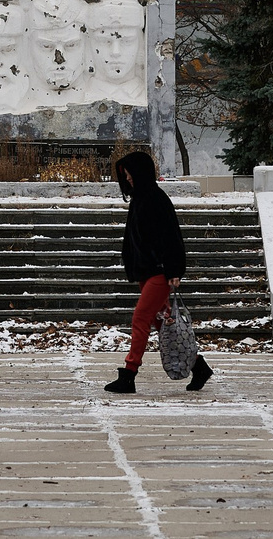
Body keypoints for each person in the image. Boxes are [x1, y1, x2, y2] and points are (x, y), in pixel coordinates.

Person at [103, 150, 213, 393]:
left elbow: (171, 236)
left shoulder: (154, 198)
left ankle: (129, 374)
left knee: (140, 319)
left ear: (140, 173)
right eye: (125, 175)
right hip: (147, 271)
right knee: (164, 324)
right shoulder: (140, 198)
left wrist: (174, 270)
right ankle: (198, 366)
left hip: (160, 272)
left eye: (130, 174)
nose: (128, 179)